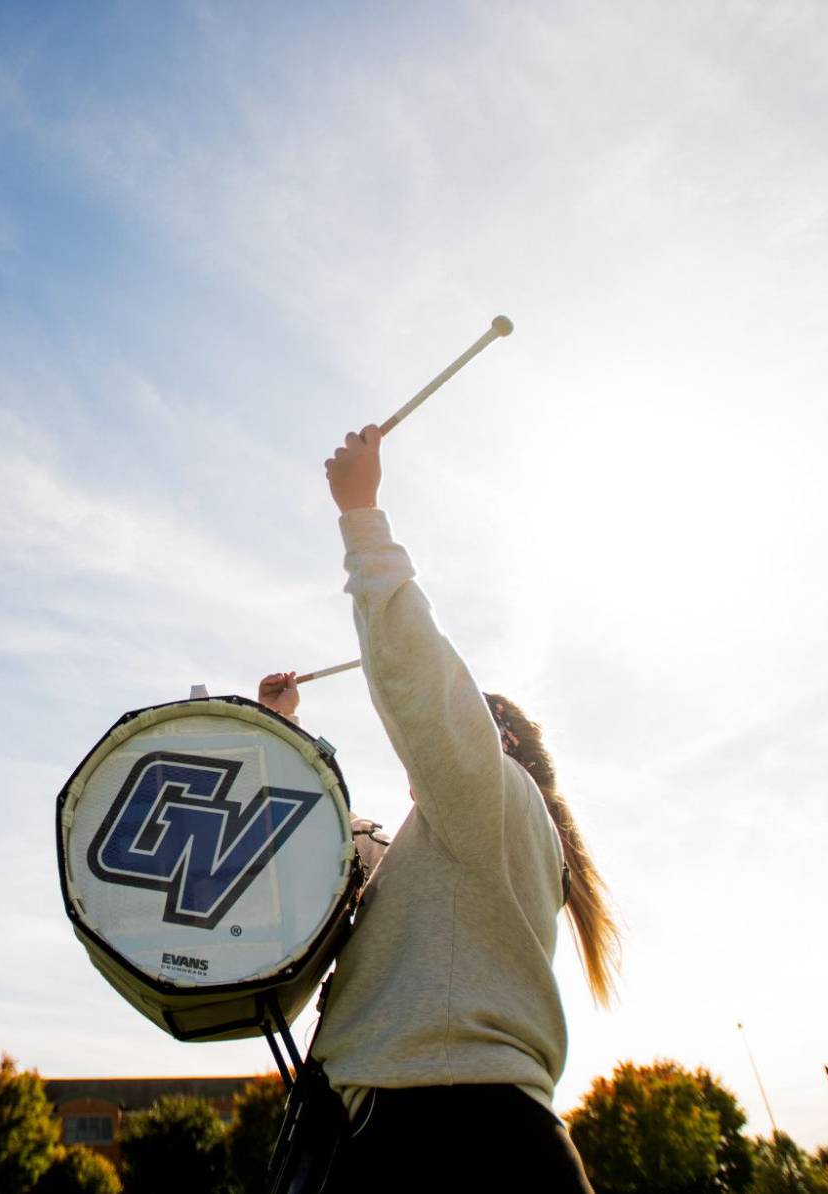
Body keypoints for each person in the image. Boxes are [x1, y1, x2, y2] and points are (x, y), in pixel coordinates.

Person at [255, 423, 618, 1193]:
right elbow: (331, 857)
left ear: (501, 739)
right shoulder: (448, 849)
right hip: (427, 1130)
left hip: (444, 1138)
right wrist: (279, 738)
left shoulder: (498, 798)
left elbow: (420, 683)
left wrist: (361, 515)